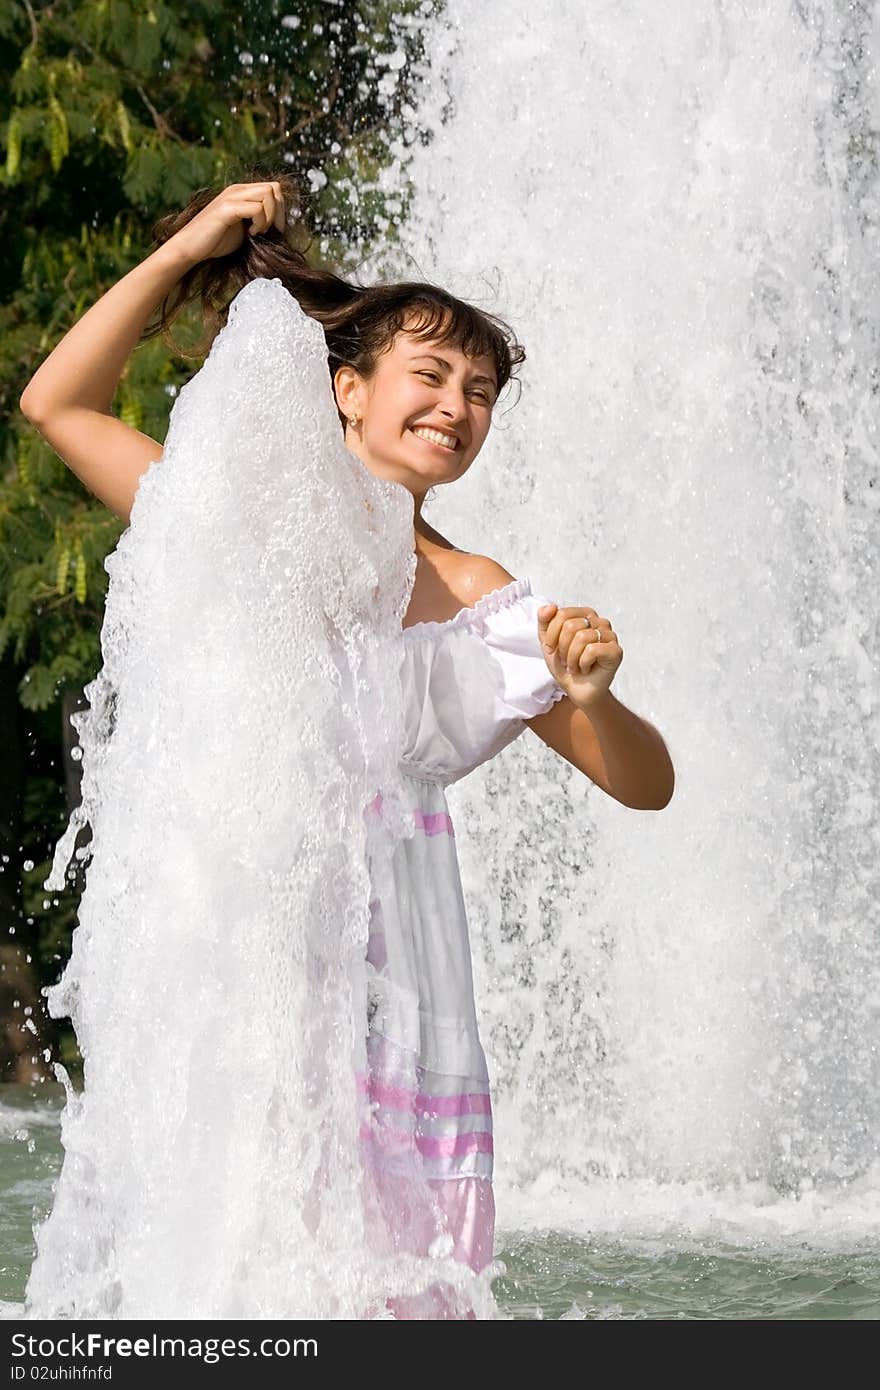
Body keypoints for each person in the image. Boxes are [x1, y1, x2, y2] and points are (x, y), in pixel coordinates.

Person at [18, 174, 675, 1317]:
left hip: (400, 1006)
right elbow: (58, 406)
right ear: (348, 388)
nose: (456, 407)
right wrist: (190, 250)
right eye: (430, 376)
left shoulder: (483, 599)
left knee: (386, 1296)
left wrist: (595, 698)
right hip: (252, 970)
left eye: (478, 394)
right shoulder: (240, 532)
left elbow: (647, 785)